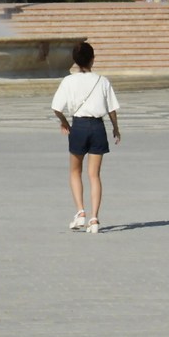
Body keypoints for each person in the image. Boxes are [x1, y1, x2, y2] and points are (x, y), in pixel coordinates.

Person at [49, 40, 121, 234]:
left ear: (75, 60)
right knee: (94, 175)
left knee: (74, 171)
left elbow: (56, 108)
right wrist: (116, 128)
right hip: (98, 127)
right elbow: (112, 109)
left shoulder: (68, 81)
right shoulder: (102, 80)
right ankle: (94, 219)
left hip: (78, 126)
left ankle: (80, 212)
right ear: (92, 59)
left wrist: (64, 122)